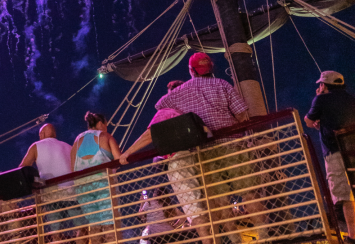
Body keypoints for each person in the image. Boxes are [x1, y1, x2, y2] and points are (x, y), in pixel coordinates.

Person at [155, 52, 264, 244]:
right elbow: (242, 115)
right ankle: (266, 238)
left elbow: (160, 106)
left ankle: (235, 241)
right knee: (249, 192)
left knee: (220, 204)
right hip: (232, 144)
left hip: (204, 152)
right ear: (210, 68)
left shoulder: (180, 92)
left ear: (191, 70)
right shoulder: (222, 84)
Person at [119, 80, 211, 244]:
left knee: (194, 210)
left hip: (180, 161)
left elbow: (150, 134)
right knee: (210, 207)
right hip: (202, 159)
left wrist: (127, 153)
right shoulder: (194, 109)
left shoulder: (168, 110)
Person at [304, 71, 355, 244]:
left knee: (343, 196)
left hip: (334, 152)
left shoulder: (321, 99)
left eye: (320, 85)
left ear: (324, 85)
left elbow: (309, 121)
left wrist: (318, 98)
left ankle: (352, 236)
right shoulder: (351, 99)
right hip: (352, 149)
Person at [20, 123, 81, 239]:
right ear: (55, 134)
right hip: (71, 190)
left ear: (41, 134)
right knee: (80, 227)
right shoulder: (69, 146)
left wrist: (35, 183)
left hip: (50, 192)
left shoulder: (36, 146)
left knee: (55, 230)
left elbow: (23, 168)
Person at [72, 112, 121, 244]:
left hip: (83, 187)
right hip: (103, 184)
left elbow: (73, 168)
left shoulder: (77, 141)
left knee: (94, 225)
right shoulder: (105, 136)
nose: (106, 128)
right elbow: (119, 160)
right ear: (100, 124)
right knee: (110, 223)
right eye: (106, 125)